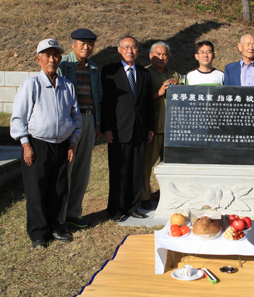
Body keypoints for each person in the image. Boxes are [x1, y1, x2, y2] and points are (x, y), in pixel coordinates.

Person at [10, 38, 81, 248]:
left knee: (59, 189)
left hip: (62, 144)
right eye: (47, 55)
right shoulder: (31, 85)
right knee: (37, 189)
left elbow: (75, 117)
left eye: (55, 55)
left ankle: (54, 226)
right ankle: (38, 232)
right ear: (38, 59)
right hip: (38, 144)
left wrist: (72, 143)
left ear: (60, 59)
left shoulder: (67, 86)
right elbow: (18, 118)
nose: (52, 59)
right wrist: (26, 144)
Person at [101, 36, 155, 221]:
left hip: (139, 130)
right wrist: (106, 127)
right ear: (119, 50)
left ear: (138, 50)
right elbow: (105, 102)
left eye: (133, 47)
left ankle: (132, 206)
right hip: (118, 130)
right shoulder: (109, 71)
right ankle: (115, 209)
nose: (130, 51)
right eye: (126, 47)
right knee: (119, 171)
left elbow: (148, 103)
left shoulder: (143, 73)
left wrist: (150, 127)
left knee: (136, 170)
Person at [57, 28, 102, 229]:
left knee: (82, 170)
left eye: (90, 44)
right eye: (82, 43)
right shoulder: (63, 64)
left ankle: (74, 212)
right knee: (66, 168)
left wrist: (98, 123)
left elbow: (97, 97)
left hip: (90, 120)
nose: (86, 47)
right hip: (70, 122)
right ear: (73, 44)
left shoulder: (93, 67)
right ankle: (60, 215)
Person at [140, 41, 182, 210]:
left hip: (173, 128)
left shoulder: (175, 74)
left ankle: (170, 196)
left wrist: (177, 86)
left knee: (171, 166)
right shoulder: (144, 73)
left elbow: (185, 97)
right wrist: (160, 92)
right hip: (153, 127)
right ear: (150, 55)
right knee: (147, 165)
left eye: (165, 54)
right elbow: (139, 100)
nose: (161, 57)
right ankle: (144, 196)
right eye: (158, 54)